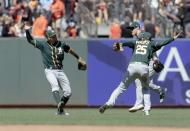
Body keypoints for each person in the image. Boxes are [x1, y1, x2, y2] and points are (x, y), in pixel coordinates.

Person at [99, 28, 181, 115]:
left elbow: (122, 44)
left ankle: (109, 103)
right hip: (143, 67)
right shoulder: (151, 43)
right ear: (148, 38)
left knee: (121, 88)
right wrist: (173, 38)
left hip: (132, 66)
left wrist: (117, 46)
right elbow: (163, 42)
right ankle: (147, 111)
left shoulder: (136, 42)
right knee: (145, 88)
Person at [24, 24, 86, 115]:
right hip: (49, 71)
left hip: (60, 70)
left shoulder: (61, 44)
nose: (54, 37)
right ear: (48, 38)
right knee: (55, 86)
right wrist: (26, 31)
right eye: (52, 37)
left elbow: (69, 50)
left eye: (55, 36)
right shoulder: (43, 45)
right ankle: (59, 104)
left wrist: (78, 57)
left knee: (68, 92)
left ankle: (60, 110)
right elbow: (30, 40)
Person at [124, 21, 167, 113]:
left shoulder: (143, 35)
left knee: (140, 81)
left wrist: (155, 58)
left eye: (132, 28)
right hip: (144, 63)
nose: (131, 30)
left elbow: (152, 47)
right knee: (144, 83)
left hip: (150, 62)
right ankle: (154, 97)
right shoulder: (136, 38)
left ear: (137, 28)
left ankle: (140, 104)